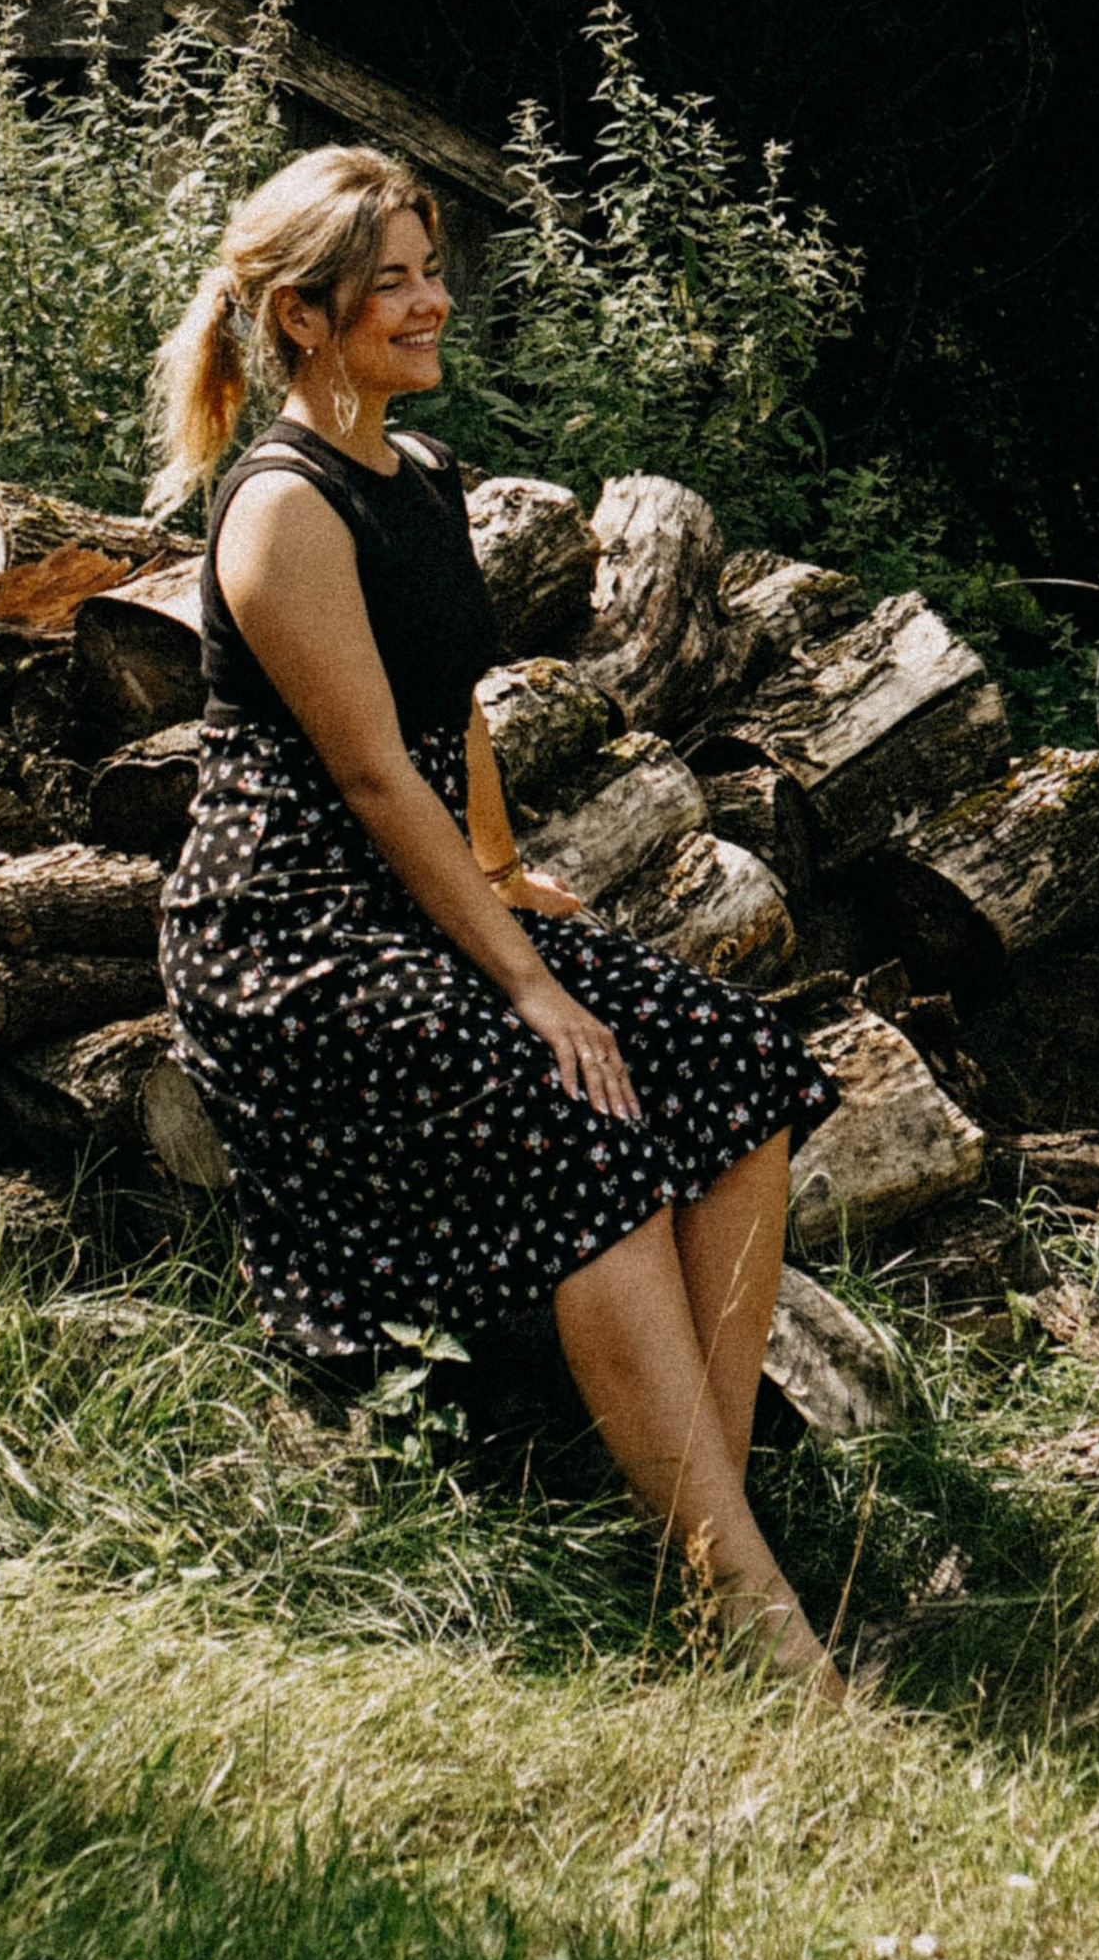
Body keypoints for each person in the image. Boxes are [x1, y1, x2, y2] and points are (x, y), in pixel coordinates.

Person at [149, 142, 846, 1697]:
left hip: (411, 890)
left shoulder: (419, 470)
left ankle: (711, 1527)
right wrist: (529, 981)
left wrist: (500, 858)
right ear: (302, 316)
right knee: (579, 1113)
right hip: (292, 933)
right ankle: (754, 1616)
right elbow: (363, 774)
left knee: (738, 1074)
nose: (430, 303)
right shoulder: (279, 510)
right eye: (390, 284)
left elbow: (445, 710)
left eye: (429, 273)